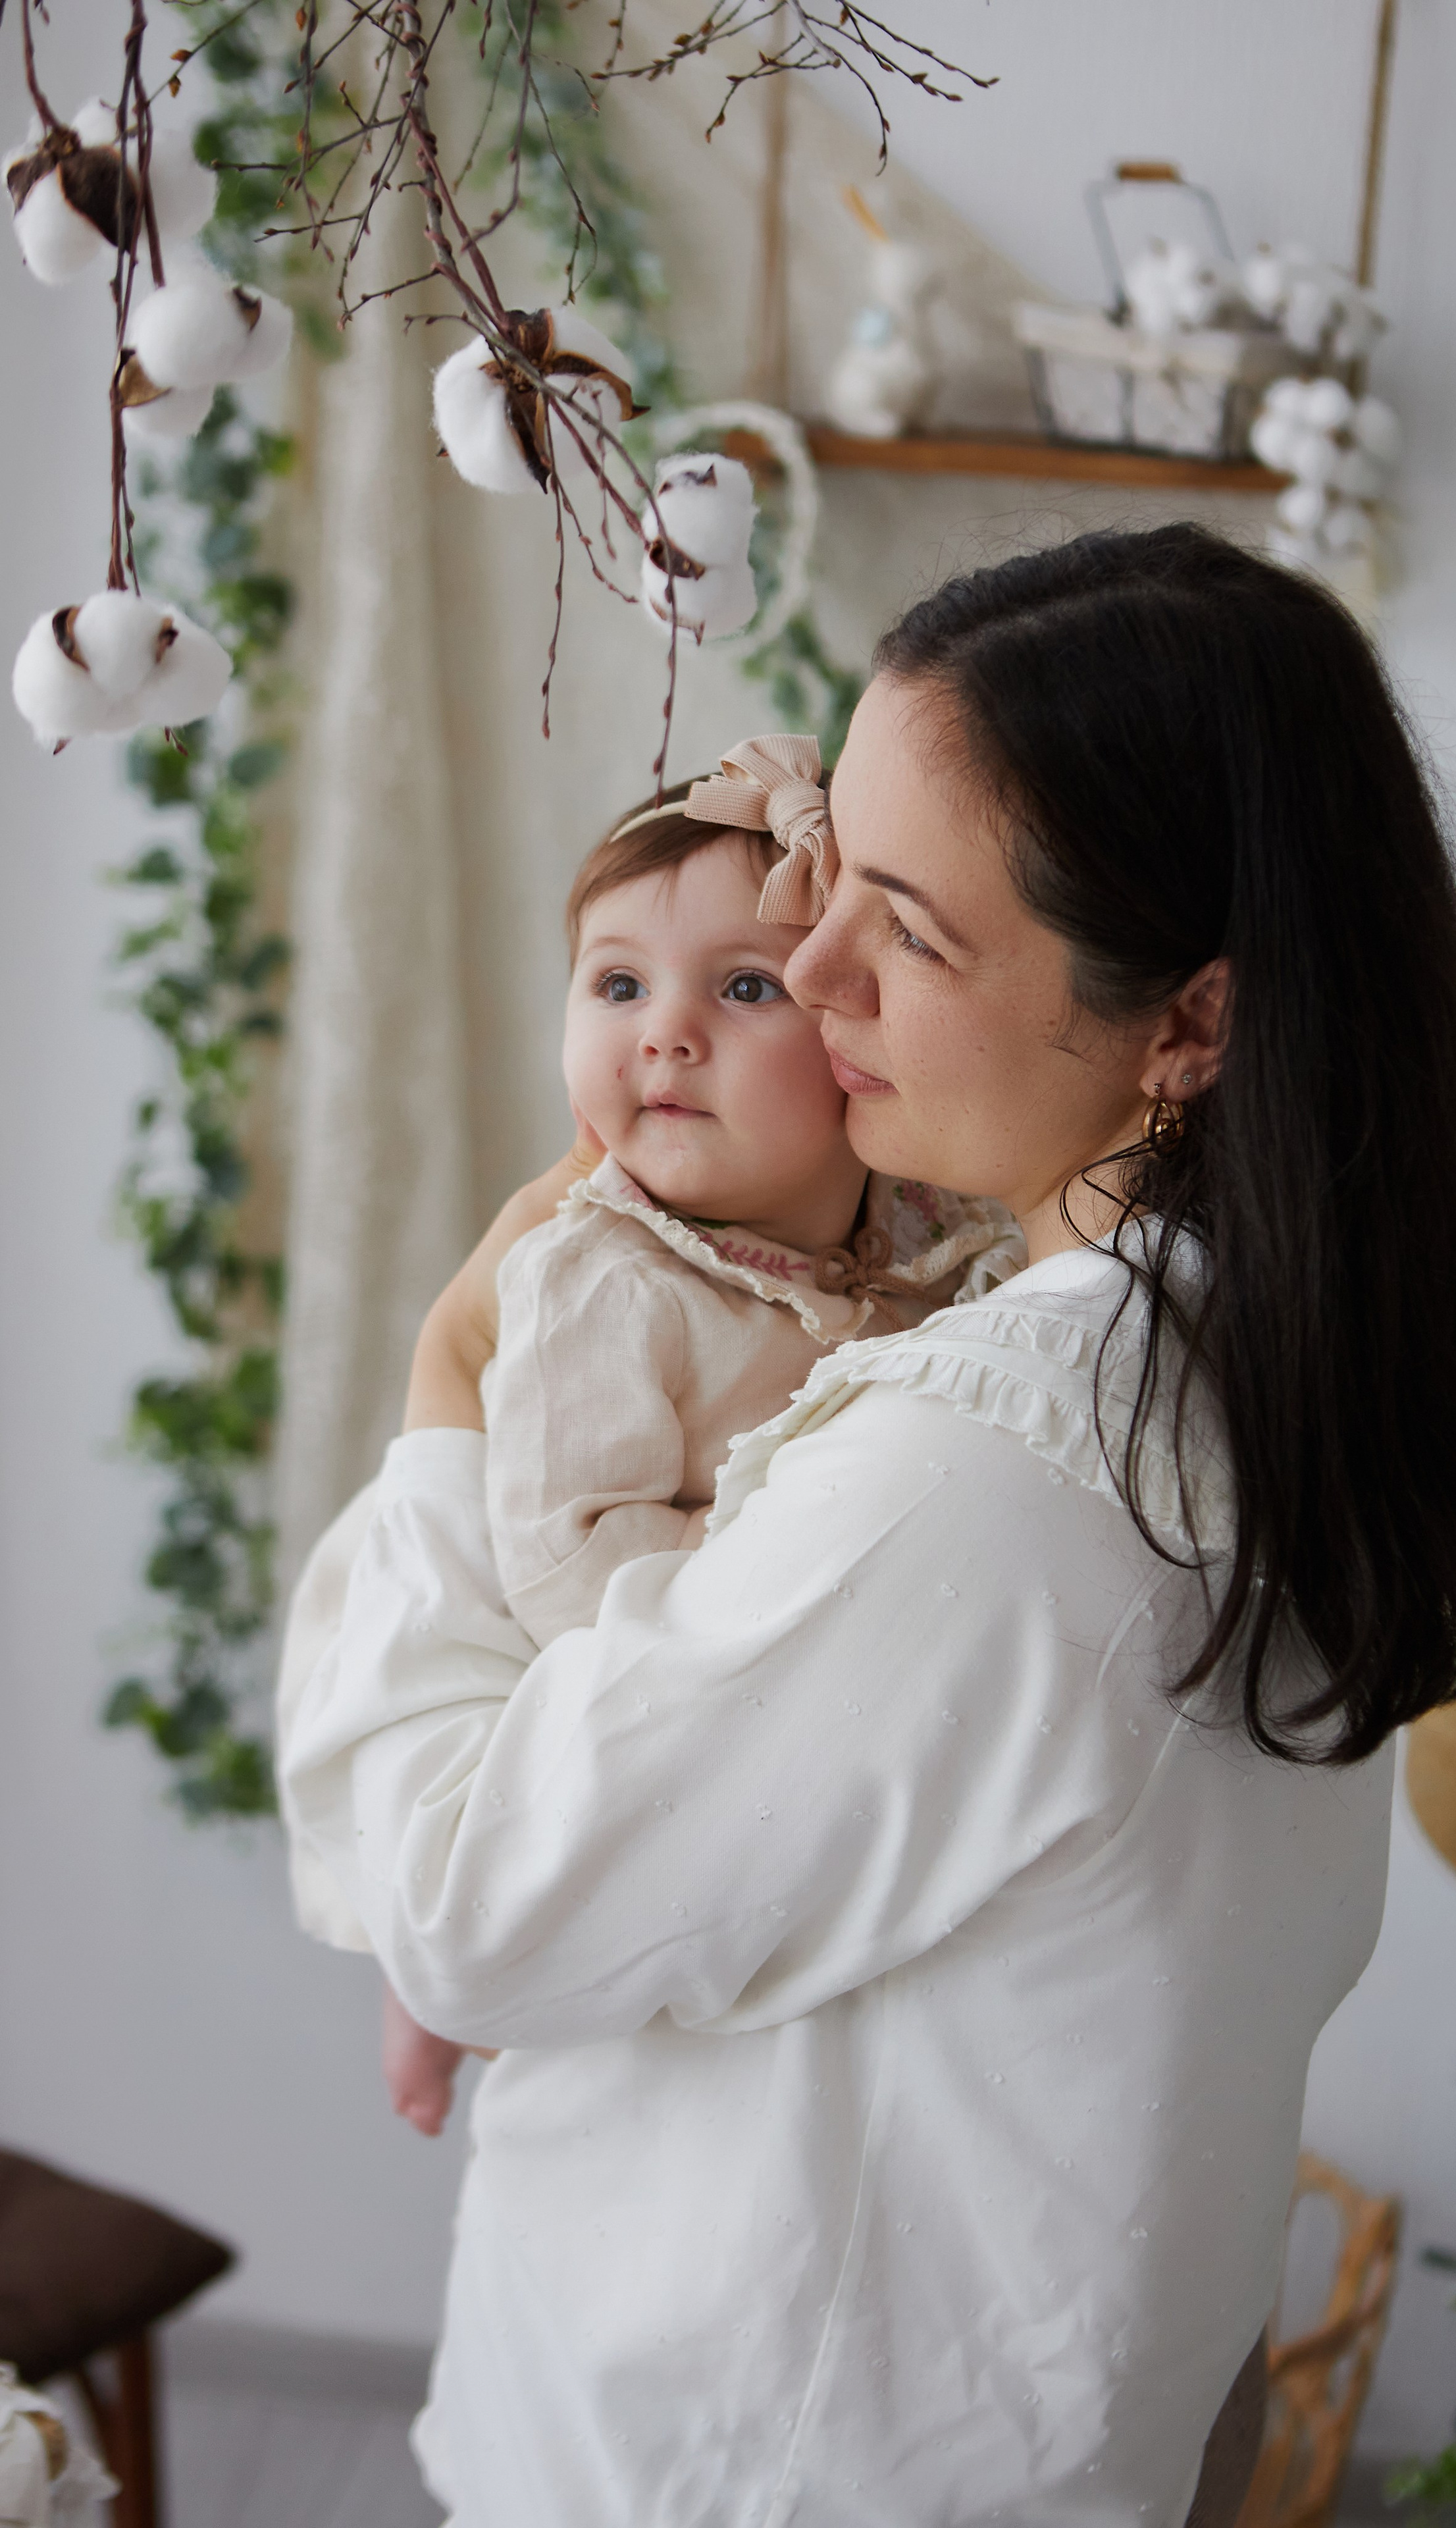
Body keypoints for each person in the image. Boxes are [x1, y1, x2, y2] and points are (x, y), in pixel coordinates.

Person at [282, 524, 1456, 2527]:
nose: (807, 975)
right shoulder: (1273, 1337)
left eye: (907, 924)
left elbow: (464, 1900)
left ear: (1193, 1027)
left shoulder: (994, 1469)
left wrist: (458, 1376)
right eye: (827, 880)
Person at [360, 747, 1020, 2135]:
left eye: (742, 987)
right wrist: (773, 1550)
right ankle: (420, 1998)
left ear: (855, 1032)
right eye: (616, 985)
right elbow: (563, 1558)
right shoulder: (601, 1273)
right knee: (478, 1851)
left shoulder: (913, 1232)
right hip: (561, 1642)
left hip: (730, 1710)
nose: (662, 1033)